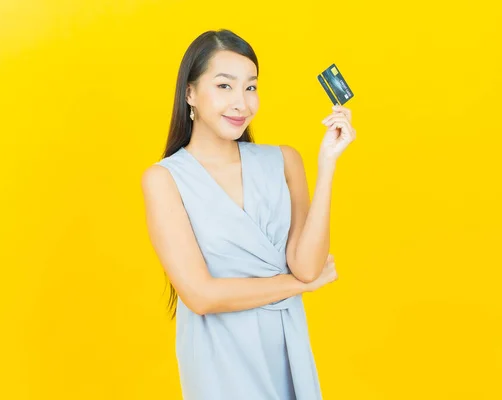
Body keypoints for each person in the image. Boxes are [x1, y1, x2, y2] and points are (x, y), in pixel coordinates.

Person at [141, 29, 355, 400]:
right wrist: (300, 286)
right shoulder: (164, 179)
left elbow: (306, 264)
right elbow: (202, 296)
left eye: (251, 87)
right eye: (224, 86)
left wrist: (328, 164)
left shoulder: (285, 160)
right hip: (217, 356)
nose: (241, 102)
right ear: (190, 93)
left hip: (286, 345)